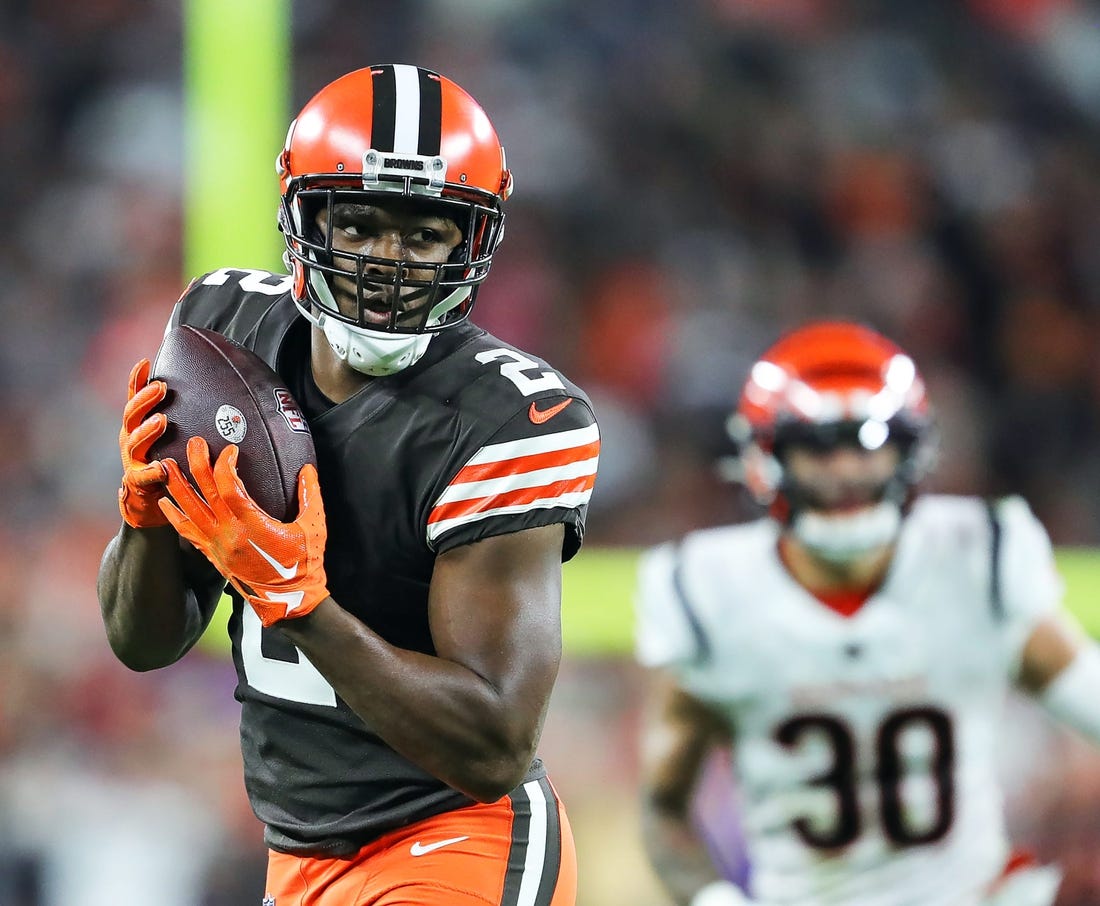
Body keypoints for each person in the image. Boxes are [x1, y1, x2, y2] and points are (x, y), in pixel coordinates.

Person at [97, 64, 599, 906]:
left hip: (456, 839)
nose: (387, 263)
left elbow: (493, 748)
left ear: (471, 244)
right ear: (303, 216)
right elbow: (142, 643)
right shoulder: (223, 332)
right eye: (360, 224)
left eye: (425, 234)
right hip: (296, 852)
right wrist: (147, 516)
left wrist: (301, 603)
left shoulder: (511, 420)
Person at [633, 321, 1100, 906]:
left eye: (869, 444)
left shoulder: (976, 555)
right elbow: (664, 812)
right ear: (765, 457)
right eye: (819, 448)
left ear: (913, 451)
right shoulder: (710, 591)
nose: (847, 471)